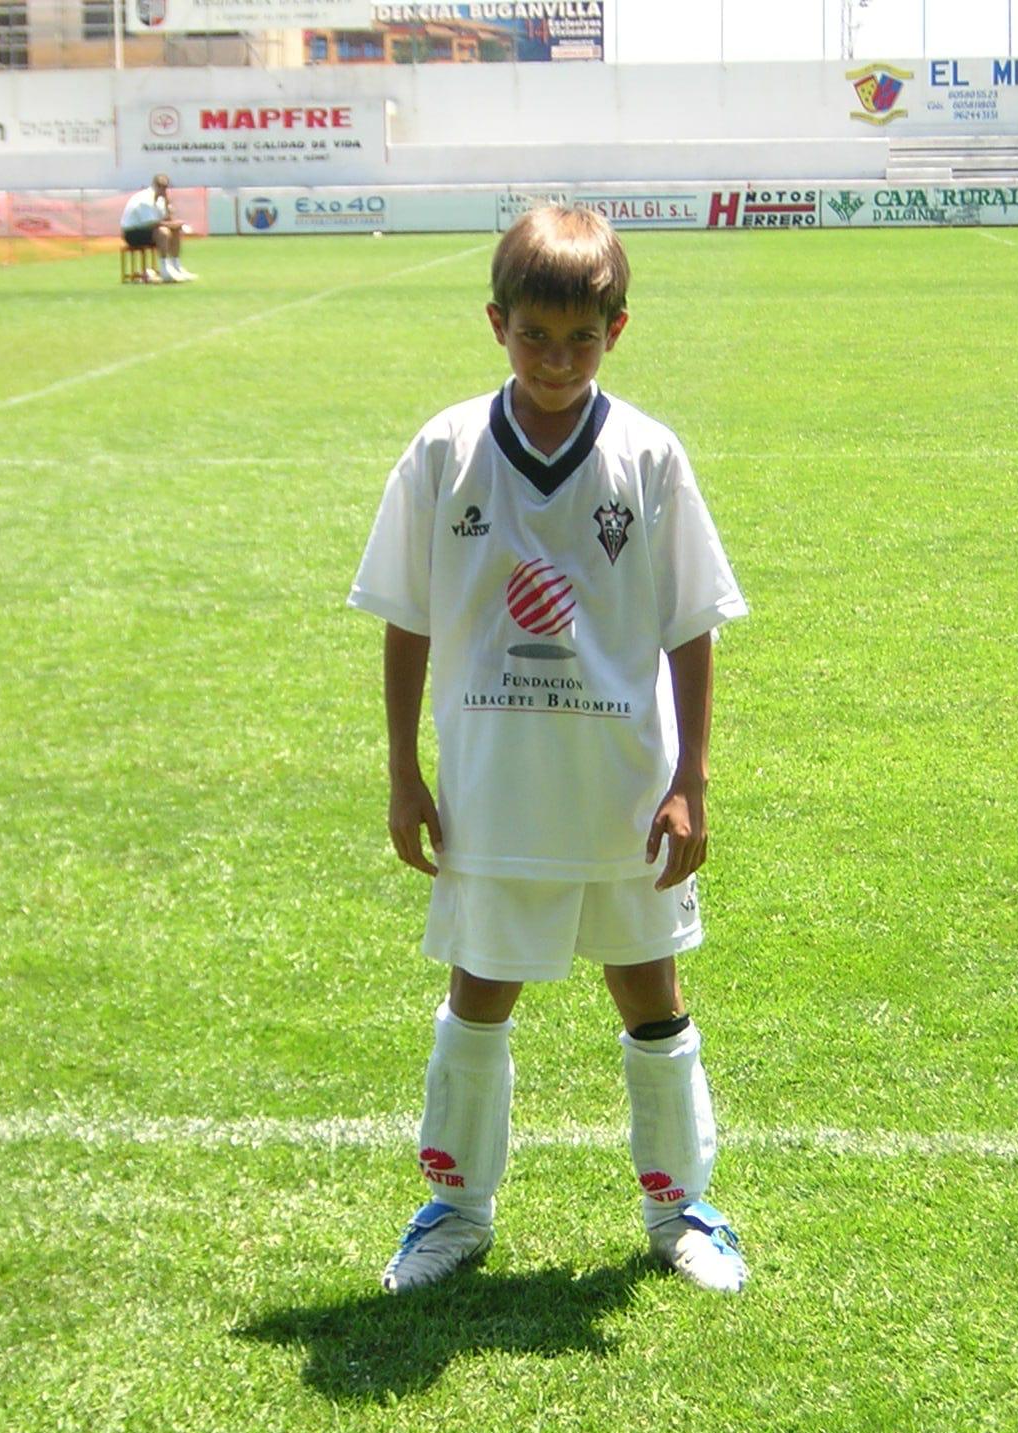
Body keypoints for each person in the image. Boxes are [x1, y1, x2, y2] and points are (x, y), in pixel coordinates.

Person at [348, 204, 749, 1295]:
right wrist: (401, 770)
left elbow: (689, 623)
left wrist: (690, 781)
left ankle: (681, 1208)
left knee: (650, 992)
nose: (559, 360)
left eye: (583, 338)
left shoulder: (648, 455)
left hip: (621, 794)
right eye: (536, 335)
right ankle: (455, 1207)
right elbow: (406, 617)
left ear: (617, 329)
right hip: (491, 792)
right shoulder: (444, 450)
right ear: (497, 323)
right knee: (478, 993)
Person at [119, 174, 195, 284]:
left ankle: (176, 266)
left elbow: (167, 219)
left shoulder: (161, 200)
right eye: (161, 187)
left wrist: (168, 206)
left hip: (148, 230)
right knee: (163, 232)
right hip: (132, 233)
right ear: (155, 186)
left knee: (175, 230)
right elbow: (152, 224)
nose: (164, 190)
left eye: (166, 187)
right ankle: (164, 269)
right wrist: (171, 225)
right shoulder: (145, 199)